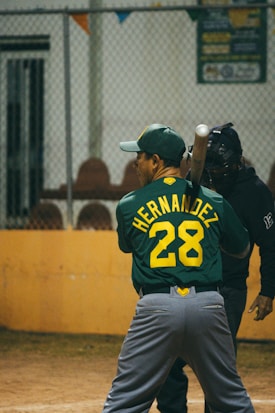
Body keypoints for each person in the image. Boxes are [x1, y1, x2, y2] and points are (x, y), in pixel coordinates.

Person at [102, 123, 255, 413]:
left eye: (142, 156)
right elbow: (242, 247)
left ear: (157, 162)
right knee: (232, 402)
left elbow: (127, 244)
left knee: (124, 403)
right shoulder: (212, 200)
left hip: (156, 308)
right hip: (209, 306)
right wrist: (209, 226)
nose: (136, 162)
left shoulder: (129, 204)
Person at [157, 122, 275, 413]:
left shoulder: (255, 193)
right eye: (208, 170)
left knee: (218, 369)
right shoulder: (197, 181)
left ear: (235, 164)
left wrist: (268, 291)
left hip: (228, 289)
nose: (214, 177)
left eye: (219, 171)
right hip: (188, 284)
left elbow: (271, 244)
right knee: (165, 360)